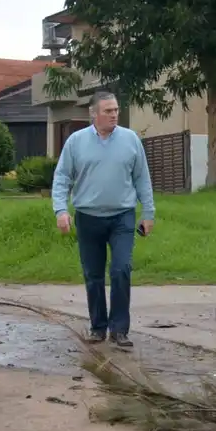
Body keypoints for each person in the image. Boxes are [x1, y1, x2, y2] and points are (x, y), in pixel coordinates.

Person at [51, 91, 156, 350]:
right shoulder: (76, 142)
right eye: (108, 111)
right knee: (93, 275)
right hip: (88, 217)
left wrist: (148, 213)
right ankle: (98, 327)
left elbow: (142, 178)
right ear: (94, 114)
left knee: (121, 269)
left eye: (116, 110)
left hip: (122, 216)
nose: (114, 115)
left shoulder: (130, 140)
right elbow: (62, 177)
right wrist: (61, 210)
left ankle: (119, 330)